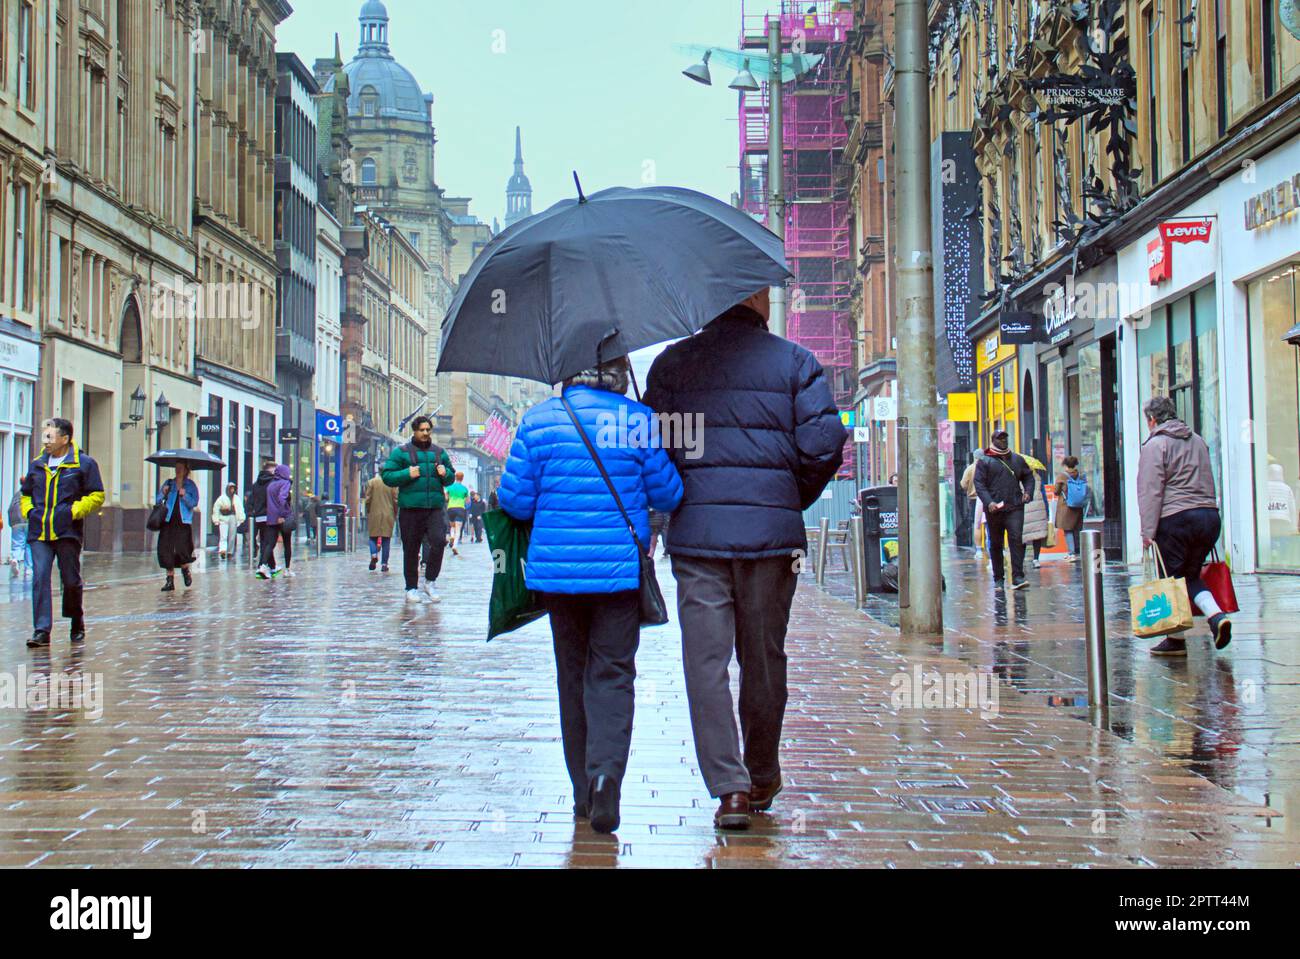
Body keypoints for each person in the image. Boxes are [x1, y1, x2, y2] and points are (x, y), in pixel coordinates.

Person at [644, 288, 846, 831]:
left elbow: (653, 450)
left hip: (698, 541)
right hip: (771, 543)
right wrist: (787, 496)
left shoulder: (673, 364)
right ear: (758, 302)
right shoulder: (795, 362)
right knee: (763, 658)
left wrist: (681, 498)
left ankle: (729, 790)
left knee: (705, 665)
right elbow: (826, 444)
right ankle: (761, 773)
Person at [500, 354, 683, 834]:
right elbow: (668, 494)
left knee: (572, 677)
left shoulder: (538, 420)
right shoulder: (637, 419)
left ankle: (582, 791)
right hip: (618, 575)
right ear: (620, 374)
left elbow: (514, 500)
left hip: (557, 578)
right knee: (614, 675)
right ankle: (606, 779)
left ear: (566, 371)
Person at [1137, 395, 1232, 655]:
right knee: (1189, 576)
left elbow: (1150, 491)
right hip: (1208, 517)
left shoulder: (1156, 445)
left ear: (1152, 420)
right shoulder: (1198, 440)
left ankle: (1176, 640)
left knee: (1172, 580)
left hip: (1175, 520)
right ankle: (1216, 617)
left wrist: (1147, 533)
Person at [20, 418, 105, 648]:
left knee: (70, 580)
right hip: (39, 531)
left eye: (50, 436)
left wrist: (74, 511)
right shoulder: (37, 464)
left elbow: (97, 495)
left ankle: (76, 620)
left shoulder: (84, 464)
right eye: (45, 436)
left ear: (65, 439)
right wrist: (29, 511)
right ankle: (41, 630)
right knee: (39, 579)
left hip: (67, 532)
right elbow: (25, 494)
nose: (46, 441)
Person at [381, 415, 455, 604]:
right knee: (411, 549)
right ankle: (411, 588)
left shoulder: (439, 453)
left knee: (439, 542)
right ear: (414, 431)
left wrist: (445, 473)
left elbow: (450, 478)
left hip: (434, 508)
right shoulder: (401, 452)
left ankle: (430, 581)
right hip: (411, 509)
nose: (425, 433)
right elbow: (387, 476)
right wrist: (407, 473)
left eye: (428, 430)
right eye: (421, 430)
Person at [973, 430, 1035, 590]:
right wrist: (989, 502)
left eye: (1005, 438)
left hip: (1014, 506)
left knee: (1016, 539)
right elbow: (979, 484)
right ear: (993, 440)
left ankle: (1018, 577)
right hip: (995, 510)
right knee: (996, 543)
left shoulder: (1017, 459)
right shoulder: (984, 461)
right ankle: (998, 578)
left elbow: (1028, 476)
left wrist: (1028, 492)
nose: (1003, 441)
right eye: (1000, 438)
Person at [155, 464, 199, 591]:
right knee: (166, 549)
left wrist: (184, 495)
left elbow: (194, 502)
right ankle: (169, 580)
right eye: (176, 467)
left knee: (182, 549)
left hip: (183, 521)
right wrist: (163, 493)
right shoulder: (169, 483)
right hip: (168, 520)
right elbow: (158, 500)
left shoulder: (190, 485)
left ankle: (185, 570)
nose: (178, 470)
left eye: (181, 468)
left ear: (186, 470)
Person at [261, 464, 295, 578]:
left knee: (270, 544)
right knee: (287, 543)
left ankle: (263, 566)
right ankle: (287, 569)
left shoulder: (270, 485)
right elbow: (282, 498)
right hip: (282, 517)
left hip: (271, 518)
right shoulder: (285, 483)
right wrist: (282, 513)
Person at [247, 460, 278, 577]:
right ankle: (262, 565)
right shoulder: (273, 484)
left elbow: (251, 501)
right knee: (270, 542)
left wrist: (252, 512)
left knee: (265, 541)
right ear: (270, 471)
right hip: (271, 516)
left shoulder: (256, 484)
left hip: (259, 517)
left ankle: (273, 566)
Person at [364, 465, 398, 571]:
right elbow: (395, 500)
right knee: (386, 540)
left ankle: (374, 555)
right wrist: (395, 512)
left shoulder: (372, 482)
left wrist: (368, 510)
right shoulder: (392, 483)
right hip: (388, 513)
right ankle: (384, 564)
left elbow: (368, 499)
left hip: (374, 513)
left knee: (372, 537)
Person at [1054, 455, 1085, 556]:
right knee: (1076, 529)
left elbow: (1056, 491)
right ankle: (1078, 550)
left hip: (1066, 507)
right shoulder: (1080, 475)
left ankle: (1071, 553)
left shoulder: (1062, 476)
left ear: (1065, 465)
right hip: (1078, 506)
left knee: (1068, 530)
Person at [1022, 464, 1050, 568]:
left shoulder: (1018, 477)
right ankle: (1036, 559)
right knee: (1037, 535)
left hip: (1025, 509)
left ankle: (1022, 559)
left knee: (1023, 536)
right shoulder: (1037, 477)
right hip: (1038, 508)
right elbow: (1044, 495)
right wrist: (1047, 511)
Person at [211, 482, 244, 560]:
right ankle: (223, 550)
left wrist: (241, 518)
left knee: (232, 536)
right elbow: (216, 508)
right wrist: (216, 519)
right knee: (223, 535)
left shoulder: (236, 498)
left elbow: (240, 509)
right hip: (223, 517)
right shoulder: (222, 498)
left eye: (233, 488)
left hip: (233, 517)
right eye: (230, 488)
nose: (232, 490)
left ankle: (230, 552)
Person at [8, 488, 31, 577]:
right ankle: (28, 568)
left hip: (15, 520)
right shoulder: (32, 492)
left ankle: (15, 559)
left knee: (17, 543)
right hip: (27, 520)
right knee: (29, 544)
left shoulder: (16, 494)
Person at [445, 471, 469, 553]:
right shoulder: (465, 488)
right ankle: (455, 546)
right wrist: (463, 500)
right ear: (462, 479)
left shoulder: (449, 487)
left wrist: (450, 498)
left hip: (450, 508)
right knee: (458, 529)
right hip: (460, 508)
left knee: (452, 525)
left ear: (455, 478)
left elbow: (446, 498)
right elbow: (468, 501)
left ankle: (451, 536)